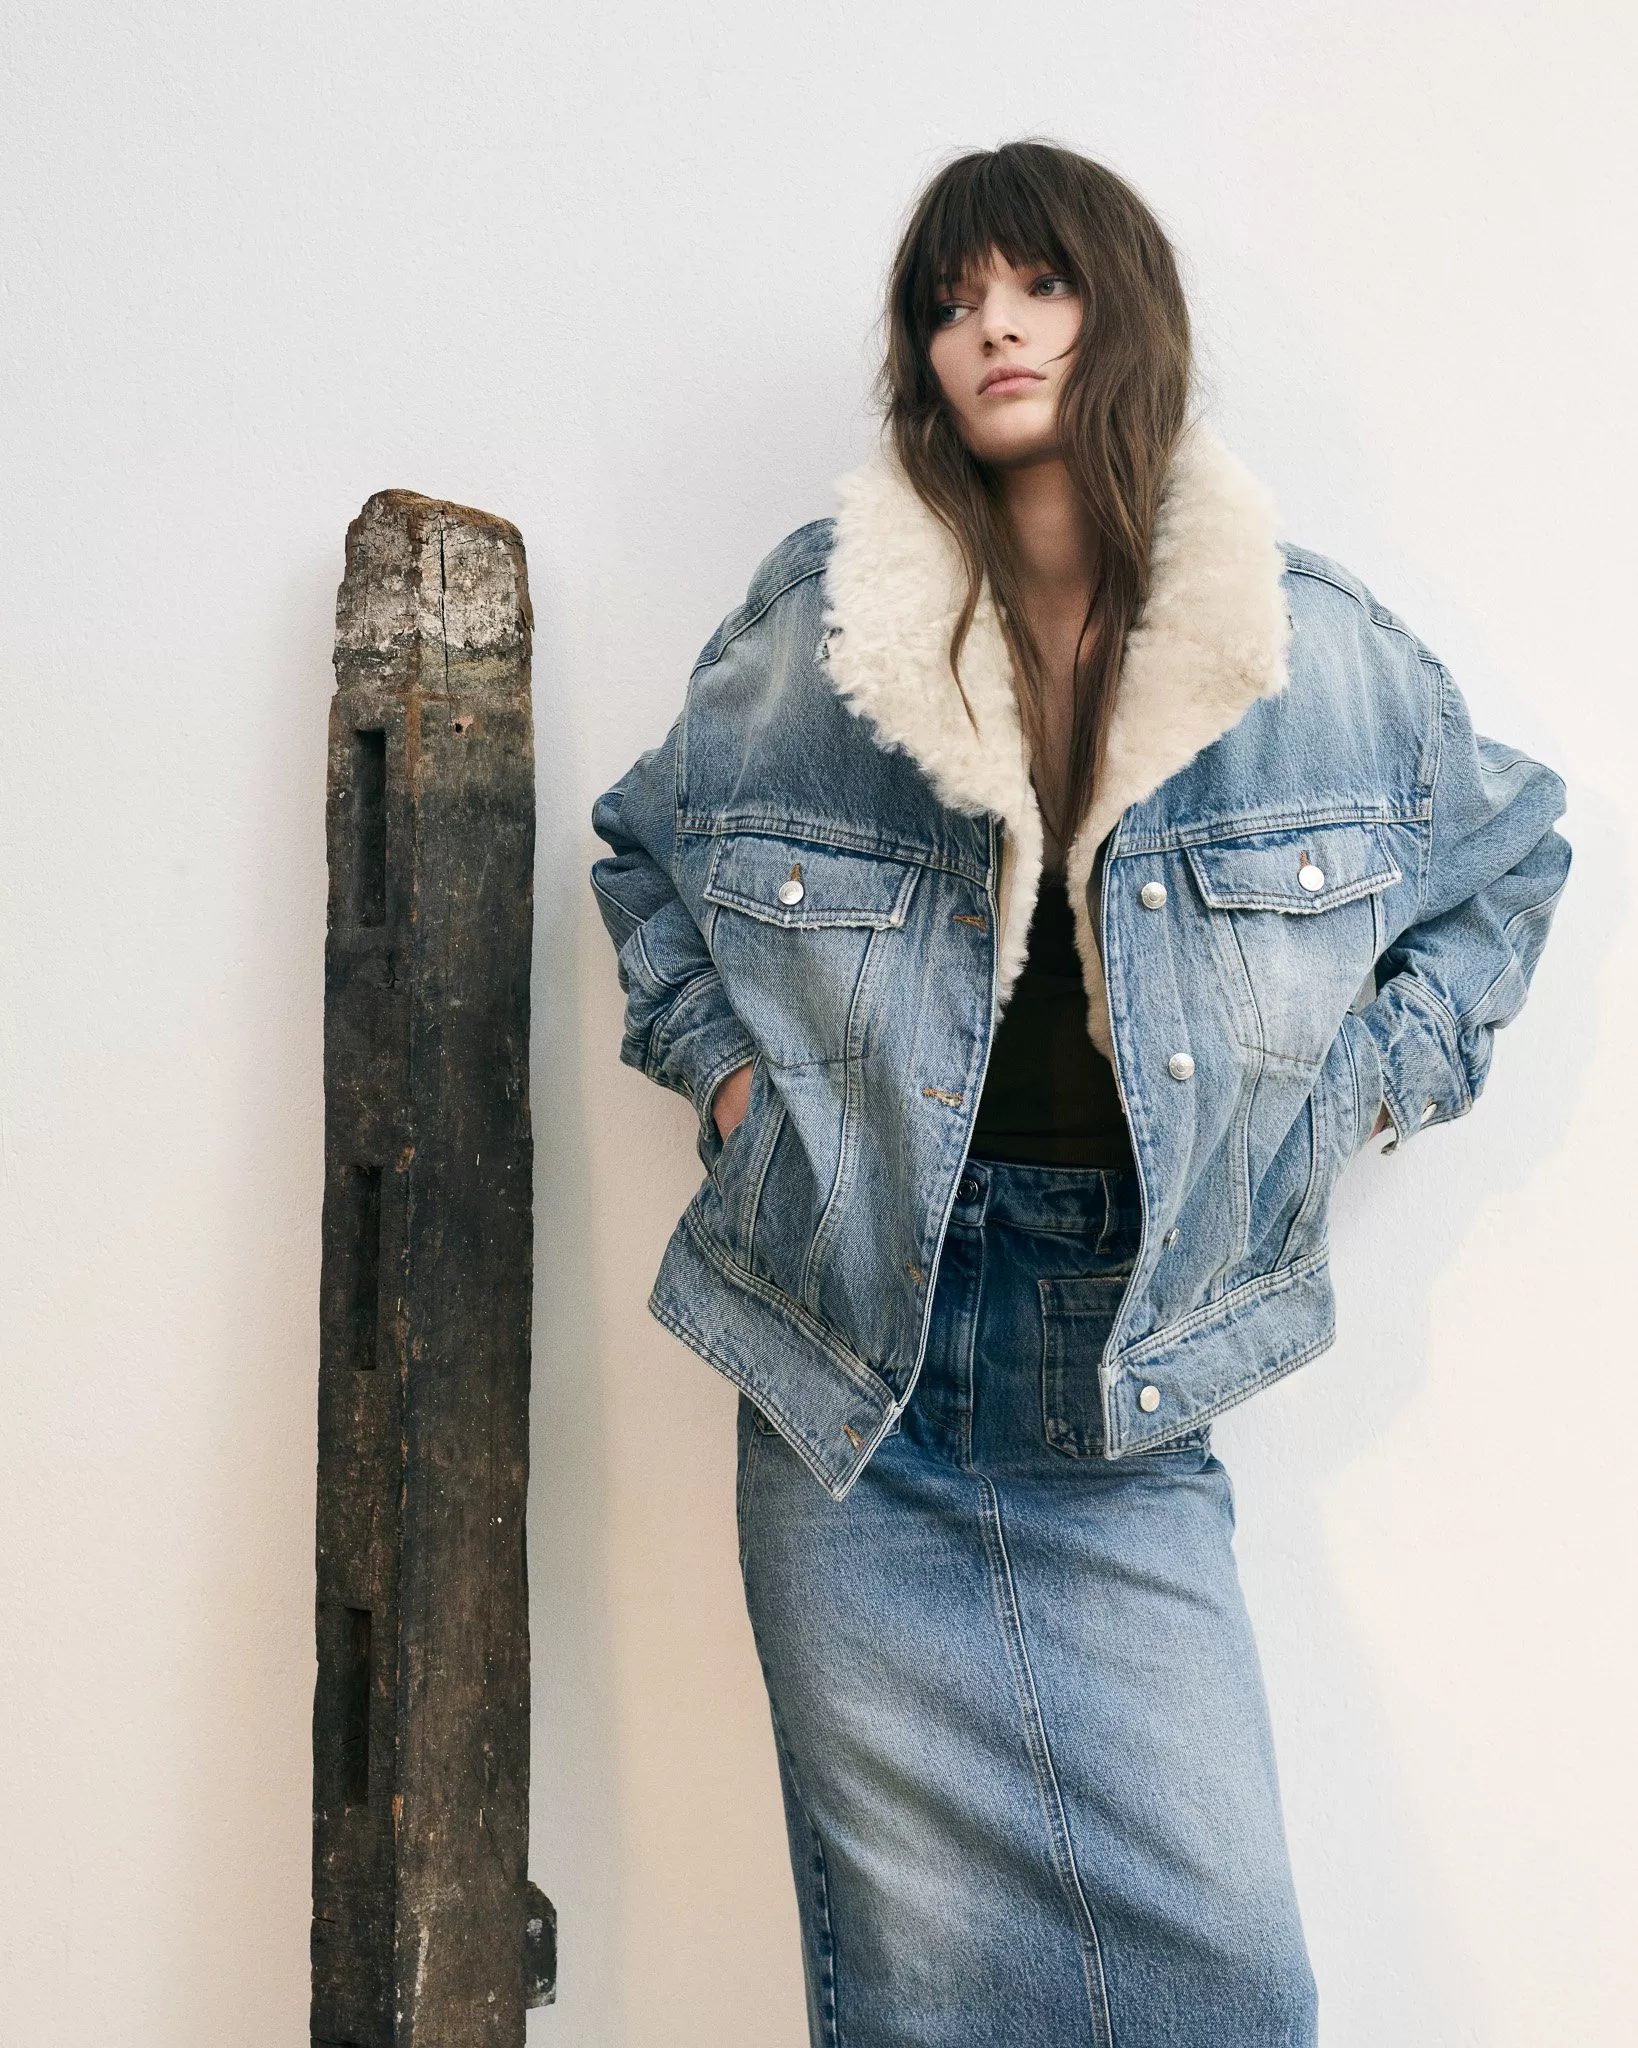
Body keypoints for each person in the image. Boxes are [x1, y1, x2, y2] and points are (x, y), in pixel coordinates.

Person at [588, 140, 1570, 2048]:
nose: (990, 329)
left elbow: (1503, 865)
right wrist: (726, 1097)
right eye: (950, 303)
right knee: (928, 1985)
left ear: (1120, 314)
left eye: (1033, 284)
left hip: (1121, 1352)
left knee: (1228, 1976)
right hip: (849, 1352)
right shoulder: (824, 630)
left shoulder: (1306, 652)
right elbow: (646, 860)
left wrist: (1356, 1093)